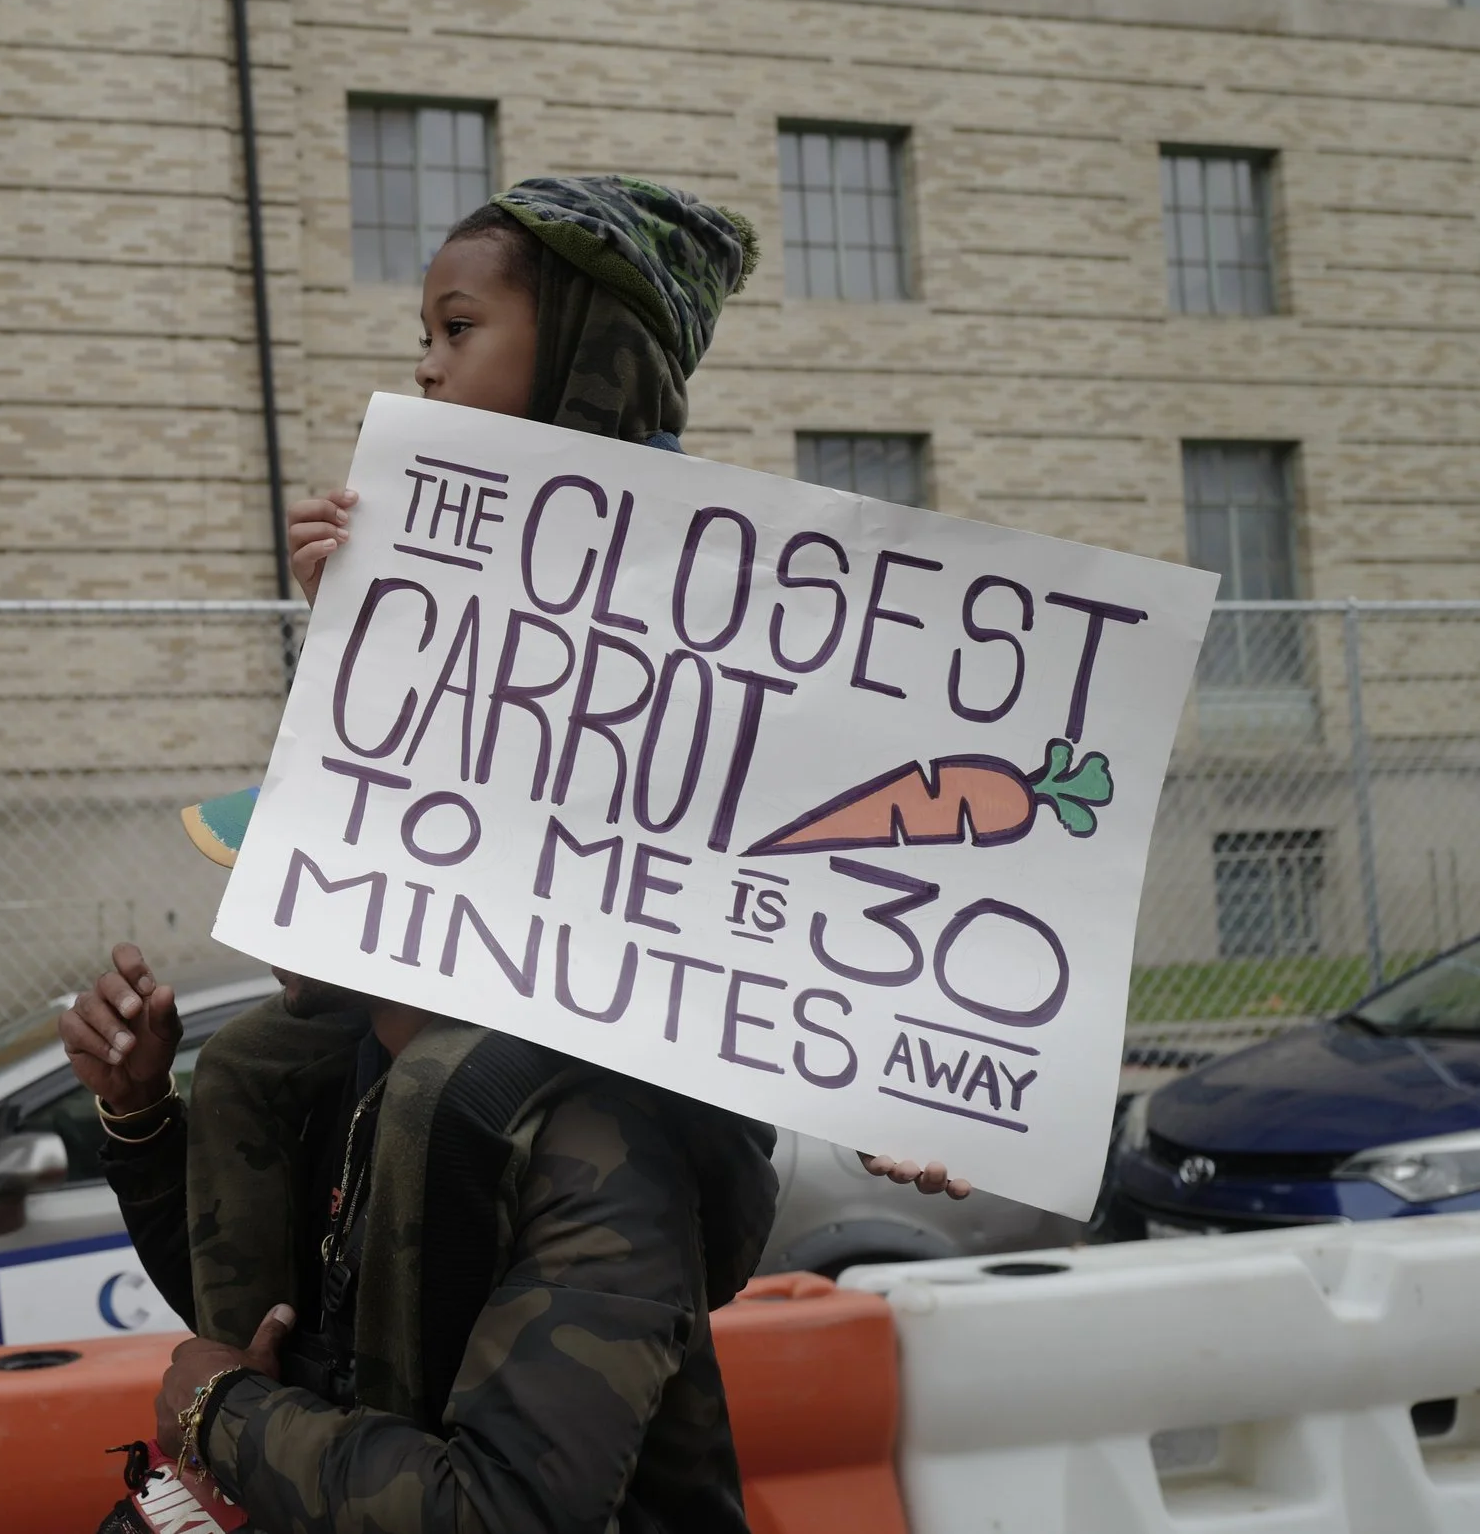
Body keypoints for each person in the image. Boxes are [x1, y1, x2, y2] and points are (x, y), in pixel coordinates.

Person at [67, 176, 965, 1533]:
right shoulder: (347, 1074)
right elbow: (251, 1323)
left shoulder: (593, 1141)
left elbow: (774, 845)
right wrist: (142, 1122)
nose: (423, 361)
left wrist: (903, 1051)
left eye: (459, 325)